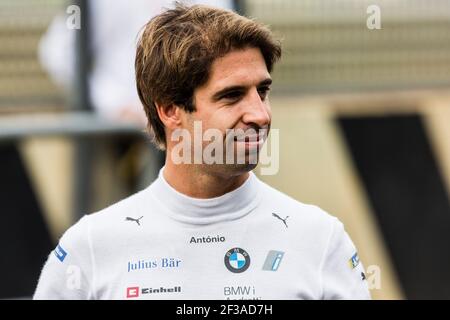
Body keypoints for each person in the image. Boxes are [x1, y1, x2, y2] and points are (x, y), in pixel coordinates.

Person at [34, 4, 371, 300]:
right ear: (169, 111)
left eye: (262, 91)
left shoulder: (320, 239)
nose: (260, 114)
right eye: (232, 95)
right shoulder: (91, 247)